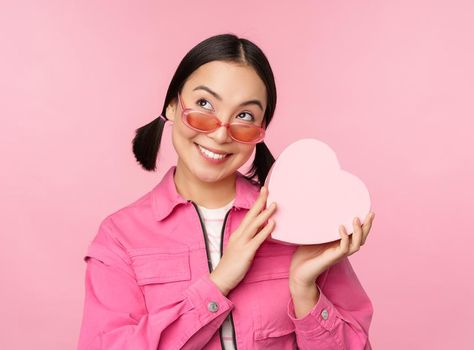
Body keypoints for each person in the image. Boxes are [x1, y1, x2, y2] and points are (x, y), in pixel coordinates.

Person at [76, 33, 375, 350]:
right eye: (204, 104)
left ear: (260, 132)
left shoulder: (300, 219)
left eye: (244, 116)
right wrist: (218, 283)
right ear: (173, 106)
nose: (220, 134)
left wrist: (305, 291)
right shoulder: (120, 237)